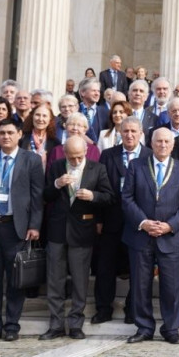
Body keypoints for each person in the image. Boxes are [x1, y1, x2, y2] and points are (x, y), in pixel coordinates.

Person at [122, 127, 179, 344]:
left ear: (172, 145)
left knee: (172, 286)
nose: (163, 145)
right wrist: (144, 223)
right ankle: (144, 327)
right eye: (158, 141)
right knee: (140, 284)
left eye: (166, 141)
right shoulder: (136, 166)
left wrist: (169, 226)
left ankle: (171, 328)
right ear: (150, 143)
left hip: (170, 236)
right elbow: (127, 198)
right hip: (141, 236)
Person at [0, 120, 43, 343]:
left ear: (19, 134)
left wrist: (34, 225)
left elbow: (37, 196)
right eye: (1, 132)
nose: (5, 136)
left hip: (17, 228)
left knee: (16, 279)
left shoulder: (31, 160)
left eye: (10, 133)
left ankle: (12, 325)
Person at [40, 135, 113, 340]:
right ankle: (55, 324)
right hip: (57, 231)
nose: (76, 161)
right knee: (55, 280)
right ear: (64, 153)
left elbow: (109, 197)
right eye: (71, 158)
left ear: (85, 152)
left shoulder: (97, 168)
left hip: (82, 231)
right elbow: (44, 195)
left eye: (79, 157)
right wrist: (56, 184)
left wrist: (93, 196)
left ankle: (75, 324)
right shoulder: (55, 166)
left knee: (80, 281)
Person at [94, 118, 144, 325]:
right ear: (119, 133)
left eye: (133, 131)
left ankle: (133, 309)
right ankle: (104, 308)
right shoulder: (108, 155)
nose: (129, 135)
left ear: (141, 133)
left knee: (138, 268)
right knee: (105, 267)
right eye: (125, 131)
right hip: (111, 220)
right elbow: (98, 186)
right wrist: (98, 219)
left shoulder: (150, 155)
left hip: (139, 222)